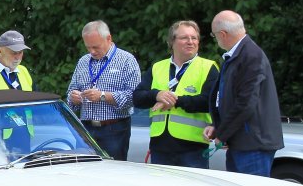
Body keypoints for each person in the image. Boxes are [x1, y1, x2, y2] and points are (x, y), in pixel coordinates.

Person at [132, 20, 220, 167]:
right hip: (160, 146)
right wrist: (157, 95)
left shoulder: (208, 67)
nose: (190, 42)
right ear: (171, 42)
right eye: (184, 38)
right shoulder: (158, 67)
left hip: (193, 147)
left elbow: (209, 102)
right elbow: (137, 98)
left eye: (194, 38)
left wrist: (176, 100)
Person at [206, 10, 282, 176]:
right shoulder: (239, 55)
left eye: (214, 35)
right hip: (242, 140)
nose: (216, 39)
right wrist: (219, 128)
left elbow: (245, 103)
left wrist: (222, 134)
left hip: (252, 143)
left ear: (223, 34)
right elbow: (228, 99)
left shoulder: (250, 56)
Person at [64, 20, 141, 160]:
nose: (92, 52)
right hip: (85, 128)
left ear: (109, 38)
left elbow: (134, 96)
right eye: (88, 47)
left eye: (96, 47)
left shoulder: (127, 60)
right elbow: (71, 92)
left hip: (114, 129)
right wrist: (73, 97)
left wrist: (103, 96)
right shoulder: (83, 61)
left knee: (113, 170)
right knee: (84, 169)